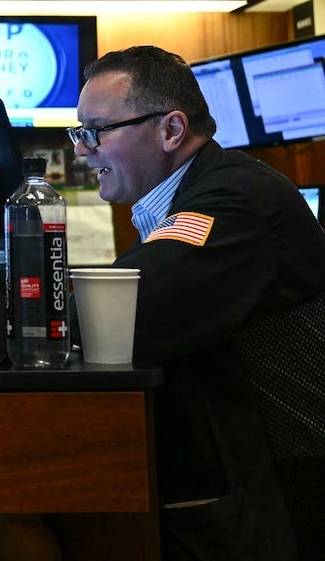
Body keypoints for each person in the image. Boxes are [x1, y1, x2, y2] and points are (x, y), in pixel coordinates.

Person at [72, 46, 325, 561]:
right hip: (239, 473)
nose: (82, 150)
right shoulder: (195, 195)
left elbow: (117, 317)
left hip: (283, 497)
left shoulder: (233, 201)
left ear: (171, 130)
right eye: (79, 133)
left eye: (96, 131)